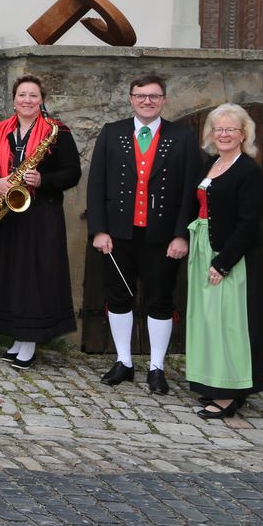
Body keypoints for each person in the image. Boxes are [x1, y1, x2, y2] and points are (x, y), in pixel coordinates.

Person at [86, 74, 201, 394]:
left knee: (160, 300)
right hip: (118, 234)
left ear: (164, 99)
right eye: (141, 95)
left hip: (162, 236)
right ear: (131, 98)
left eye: (153, 96)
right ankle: (123, 361)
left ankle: (156, 367)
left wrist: (182, 235)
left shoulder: (182, 137)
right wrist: (99, 230)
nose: (147, 101)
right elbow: (96, 185)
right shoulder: (113, 132)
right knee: (118, 296)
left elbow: (191, 191)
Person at [0, 75, 81, 369]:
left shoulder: (57, 132)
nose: (27, 100)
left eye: (33, 95)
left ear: (42, 99)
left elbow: (72, 173)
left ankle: (29, 342)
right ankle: (17, 338)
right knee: (9, 276)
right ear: (14, 100)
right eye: (22, 95)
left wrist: (43, 179)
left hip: (40, 214)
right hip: (4, 213)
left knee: (34, 278)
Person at [186, 104, 263, 420]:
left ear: (243, 134)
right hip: (204, 247)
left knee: (228, 324)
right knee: (207, 321)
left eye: (230, 129)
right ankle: (213, 383)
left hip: (231, 256)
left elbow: (249, 223)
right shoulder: (212, 164)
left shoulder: (249, 171)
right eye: (218, 129)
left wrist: (223, 263)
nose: (223, 134)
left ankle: (230, 393)